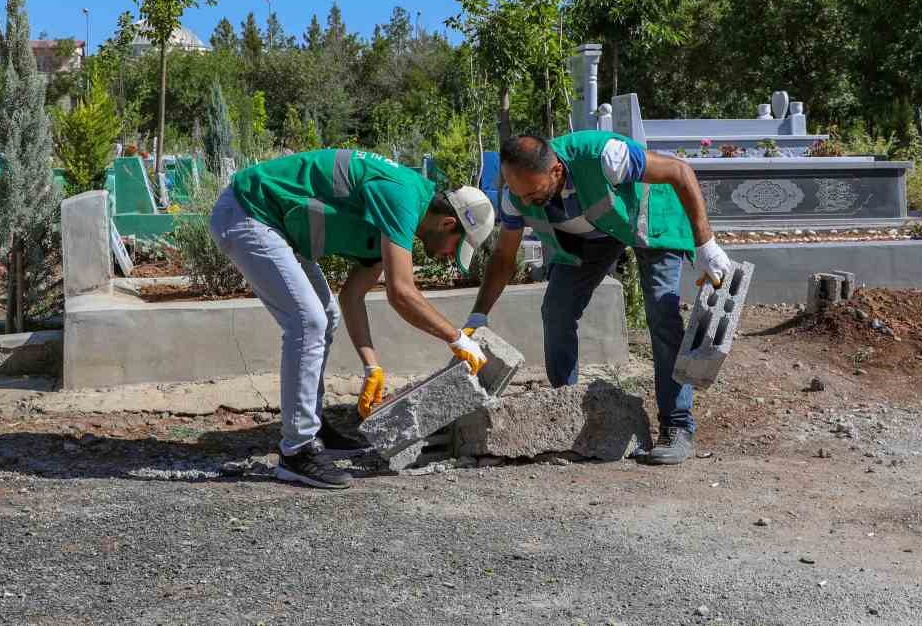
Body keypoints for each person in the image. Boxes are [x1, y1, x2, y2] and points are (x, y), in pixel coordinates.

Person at [209, 148, 495, 490]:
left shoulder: (399, 216)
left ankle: (311, 427)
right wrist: (457, 338)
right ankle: (297, 451)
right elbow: (402, 292)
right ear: (449, 224)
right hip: (249, 212)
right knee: (308, 321)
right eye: (454, 246)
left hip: (278, 226)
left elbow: (351, 296)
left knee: (325, 315)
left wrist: (371, 367)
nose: (449, 256)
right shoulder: (402, 196)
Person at [464, 132, 733, 464]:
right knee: (557, 310)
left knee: (661, 312)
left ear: (557, 171)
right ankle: (566, 411)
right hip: (592, 236)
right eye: (519, 193)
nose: (526, 201)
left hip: (647, 215)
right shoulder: (517, 195)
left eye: (533, 192)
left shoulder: (604, 156)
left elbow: (680, 171)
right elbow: (505, 256)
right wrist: (479, 315)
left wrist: (706, 244)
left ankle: (676, 425)